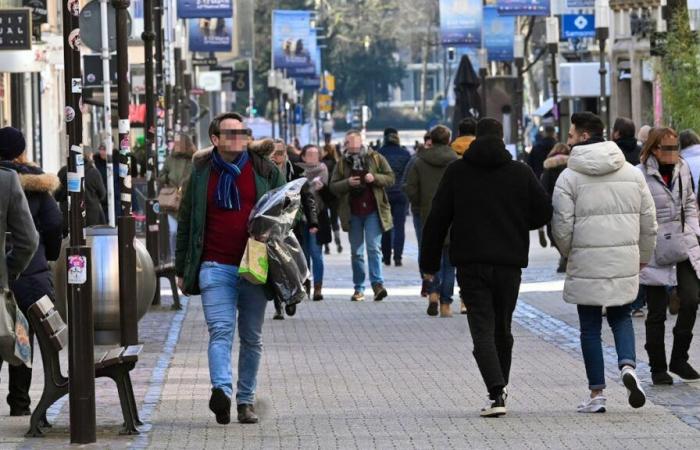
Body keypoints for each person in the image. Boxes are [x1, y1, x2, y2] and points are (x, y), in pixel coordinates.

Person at [420, 118, 552, 417]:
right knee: (502, 328)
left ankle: (496, 392)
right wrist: (519, 224)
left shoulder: (458, 172)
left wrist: (429, 266)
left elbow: (437, 219)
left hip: (471, 261)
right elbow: (544, 210)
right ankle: (500, 388)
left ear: (476, 138)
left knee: (482, 327)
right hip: (509, 263)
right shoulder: (520, 171)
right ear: (502, 137)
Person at [175, 112, 285, 425]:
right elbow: (187, 222)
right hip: (214, 265)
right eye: (231, 132)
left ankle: (245, 401)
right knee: (220, 331)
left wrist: (270, 231)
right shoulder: (200, 173)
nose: (239, 137)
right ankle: (221, 391)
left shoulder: (264, 169)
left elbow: (291, 211)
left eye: (242, 132)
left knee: (251, 337)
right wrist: (183, 266)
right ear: (215, 139)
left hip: (255, 265)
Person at [552, 111, 656, 413]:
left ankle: (597, 393)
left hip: (586, 260)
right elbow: (648, 221)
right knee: (622, 317)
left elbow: (561, 224)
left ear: (584, 136)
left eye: (571, 134)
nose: (568, 139)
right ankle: (627, 366)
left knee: (589, 328)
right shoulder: (631, 173)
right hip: (623, 258)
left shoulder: (569, 177)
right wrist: (643, 256)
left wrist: (572, 252)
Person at [0, 127, 58, 417]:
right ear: (22, 151)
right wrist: (47, 257)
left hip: (11, 275)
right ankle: (20, 403)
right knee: (22, 335)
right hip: (31, 274)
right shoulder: (34, 183)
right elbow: (52, 225)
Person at [638, 127, 700, 385]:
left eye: (676, 148)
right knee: (656, 312)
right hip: (653, 245)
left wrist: (694, 231)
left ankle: (679, 358)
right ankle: (658, 367)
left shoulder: (683, 168)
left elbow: (690, 203)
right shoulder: (639, 174)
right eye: (668, 148)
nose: (674, 153)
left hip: (683, 241)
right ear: (654, 149)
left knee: (691, 299)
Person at [330, 129, 395, 302]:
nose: (348, 145)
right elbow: (333, 186)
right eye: (346, 142)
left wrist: (374, 178)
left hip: (374, 211)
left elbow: (391, 178)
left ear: (360, 142)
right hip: (353, 213)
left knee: (374, 248)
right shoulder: (342, 163)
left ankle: (377, 285)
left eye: (351, 142)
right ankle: (358, 288)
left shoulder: (375, 158)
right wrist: (347, 183)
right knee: (357, 252)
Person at [404, 125, 458, 317]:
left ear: (431, 140)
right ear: (449, 140)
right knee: (450, 262)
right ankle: (446, 304)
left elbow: (410, 188)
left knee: (430, 256)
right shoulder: (456, 161)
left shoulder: (419, 162)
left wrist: (418, 205)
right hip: (452, 216)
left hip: (427, 215)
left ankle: (433, 292)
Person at [269, 139, 318, 319]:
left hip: (292, 224)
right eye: (273, 153)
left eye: (280, 153)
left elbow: (308, 198)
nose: (276, 157)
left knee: (293, 262)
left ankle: (295, 292)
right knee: (274, 264)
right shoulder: (264, 172)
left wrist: (313, 221)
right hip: (271, 225)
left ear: (286, 154)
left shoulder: (297, 172)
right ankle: (279, 304)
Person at [297, 144, 331, 301]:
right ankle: (305, 285)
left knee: (316, 254)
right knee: (303, 254)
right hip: (299, 218)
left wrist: (323, 188)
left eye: (315, 154)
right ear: (303, 157)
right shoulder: (297, 171)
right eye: (309, 154)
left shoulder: (324, 170)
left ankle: (318, 287)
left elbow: (332, 198)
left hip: (317, 219)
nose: (312, 157)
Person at [159, 134, 196, 260]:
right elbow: (161, 175)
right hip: (173, 201)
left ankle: (187, 255)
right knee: (174, 231)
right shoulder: (170, 159)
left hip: (188, 200)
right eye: (176, 142)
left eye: (179, 142)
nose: (176, 144)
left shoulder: (193, 159)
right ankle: (174, 256)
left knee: (187, 231)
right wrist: (167, 178)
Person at [378, 128, 411, 267]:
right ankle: (398, 257)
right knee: (399, 226)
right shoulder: (405, 153)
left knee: (385, 226)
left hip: (384, 194)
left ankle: (386, 257)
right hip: (401, 194)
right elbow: (409, 174)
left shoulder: (379, 154)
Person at [539, 143, 570, 273]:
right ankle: (566, 256)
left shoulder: (548, 169)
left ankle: (564, 255)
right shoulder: (571, 167)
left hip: (553, 207)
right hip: (569, 205)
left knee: (554, 233)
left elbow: (544, 190)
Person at [321, 143, 342, 255]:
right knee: (334, 219)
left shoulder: (321, 163)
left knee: (325, 221)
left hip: (323, 194)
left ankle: (326, 246)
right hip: (335, 195)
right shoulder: (337, 163)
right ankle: (337, 240)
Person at [92, 143, 110, 219]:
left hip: (112, 197)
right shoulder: (95, 162)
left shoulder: (115, 162)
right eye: (100, 150)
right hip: (101, 196)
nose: (102, 152)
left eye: (104, 150)